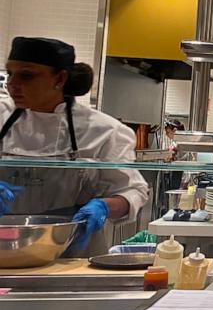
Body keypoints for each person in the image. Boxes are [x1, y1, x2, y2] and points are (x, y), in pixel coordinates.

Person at [0, 37, 148, 255]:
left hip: (72, 251)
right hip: (6, 248)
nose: (12, 84)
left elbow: (132, 192)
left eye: (26, 75)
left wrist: (104, 207)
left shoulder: (104, 131)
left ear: (59, 78)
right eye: (10, 73)